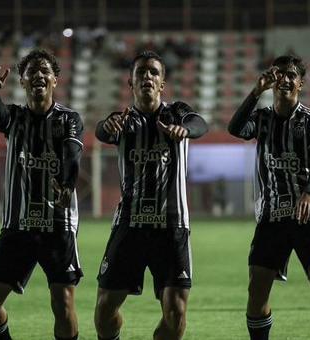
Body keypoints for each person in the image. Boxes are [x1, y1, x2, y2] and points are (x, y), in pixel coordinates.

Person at [228, 55, 310, 340]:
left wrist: (308, 193)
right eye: (279, 73)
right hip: (272, 215)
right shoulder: (263, 118)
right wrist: (256, 91)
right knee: (256, 290)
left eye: (291, 75)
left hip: (309, 212)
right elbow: (235, 129)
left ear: (301, 83)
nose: (284, 78)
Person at [93, 51, 208, 340]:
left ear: (162, 83)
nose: (147, 76)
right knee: (105, 310)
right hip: (130, 225)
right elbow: (102, 131)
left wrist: (185, 130)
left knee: (176, 313)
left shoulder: (177, 113)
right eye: (141, 72)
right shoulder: (122, 121)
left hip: (171, 226)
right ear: (130, 83)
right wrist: (105, 127)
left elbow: (200, 124)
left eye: (154, 72)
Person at [0, 49, 84, 340]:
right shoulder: (15, 118)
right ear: (22, 81)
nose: (39, 75)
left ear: (55, 80)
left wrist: (67, 185)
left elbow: (73, 155)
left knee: (62, 305)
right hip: (18, 226)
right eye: (32, 71)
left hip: (57, 226)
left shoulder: (69, 119)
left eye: (45, 70)